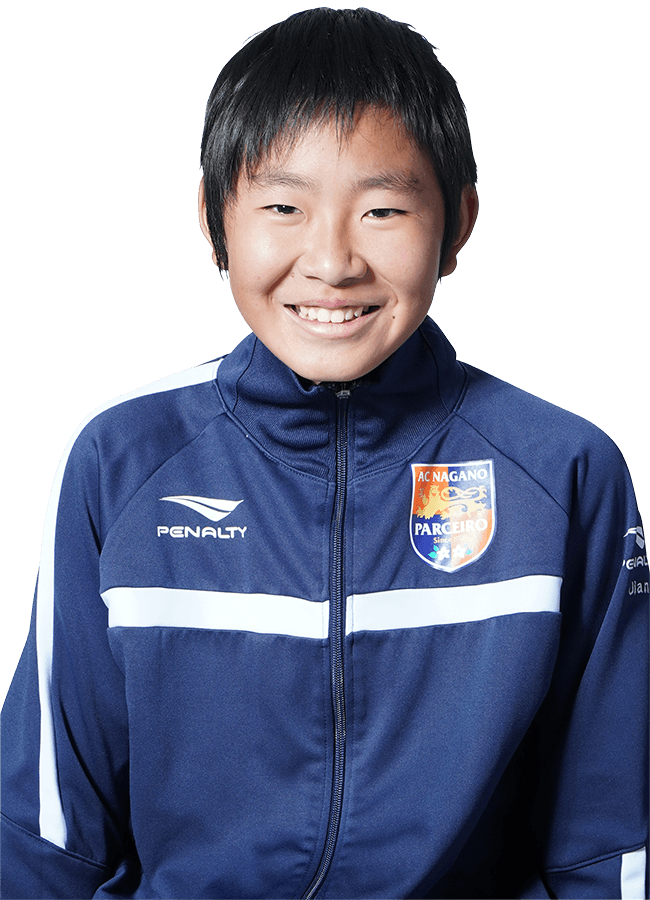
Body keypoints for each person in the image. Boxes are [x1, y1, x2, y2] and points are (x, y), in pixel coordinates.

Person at [1, 8, 647, 899]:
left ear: (458, 224)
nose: (333, 261)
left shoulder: (564, 469)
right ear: (212, 220)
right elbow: (48, 829)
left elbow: (609, 839)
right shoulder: (120, 457)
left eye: (383, 209)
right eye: (283, 207)